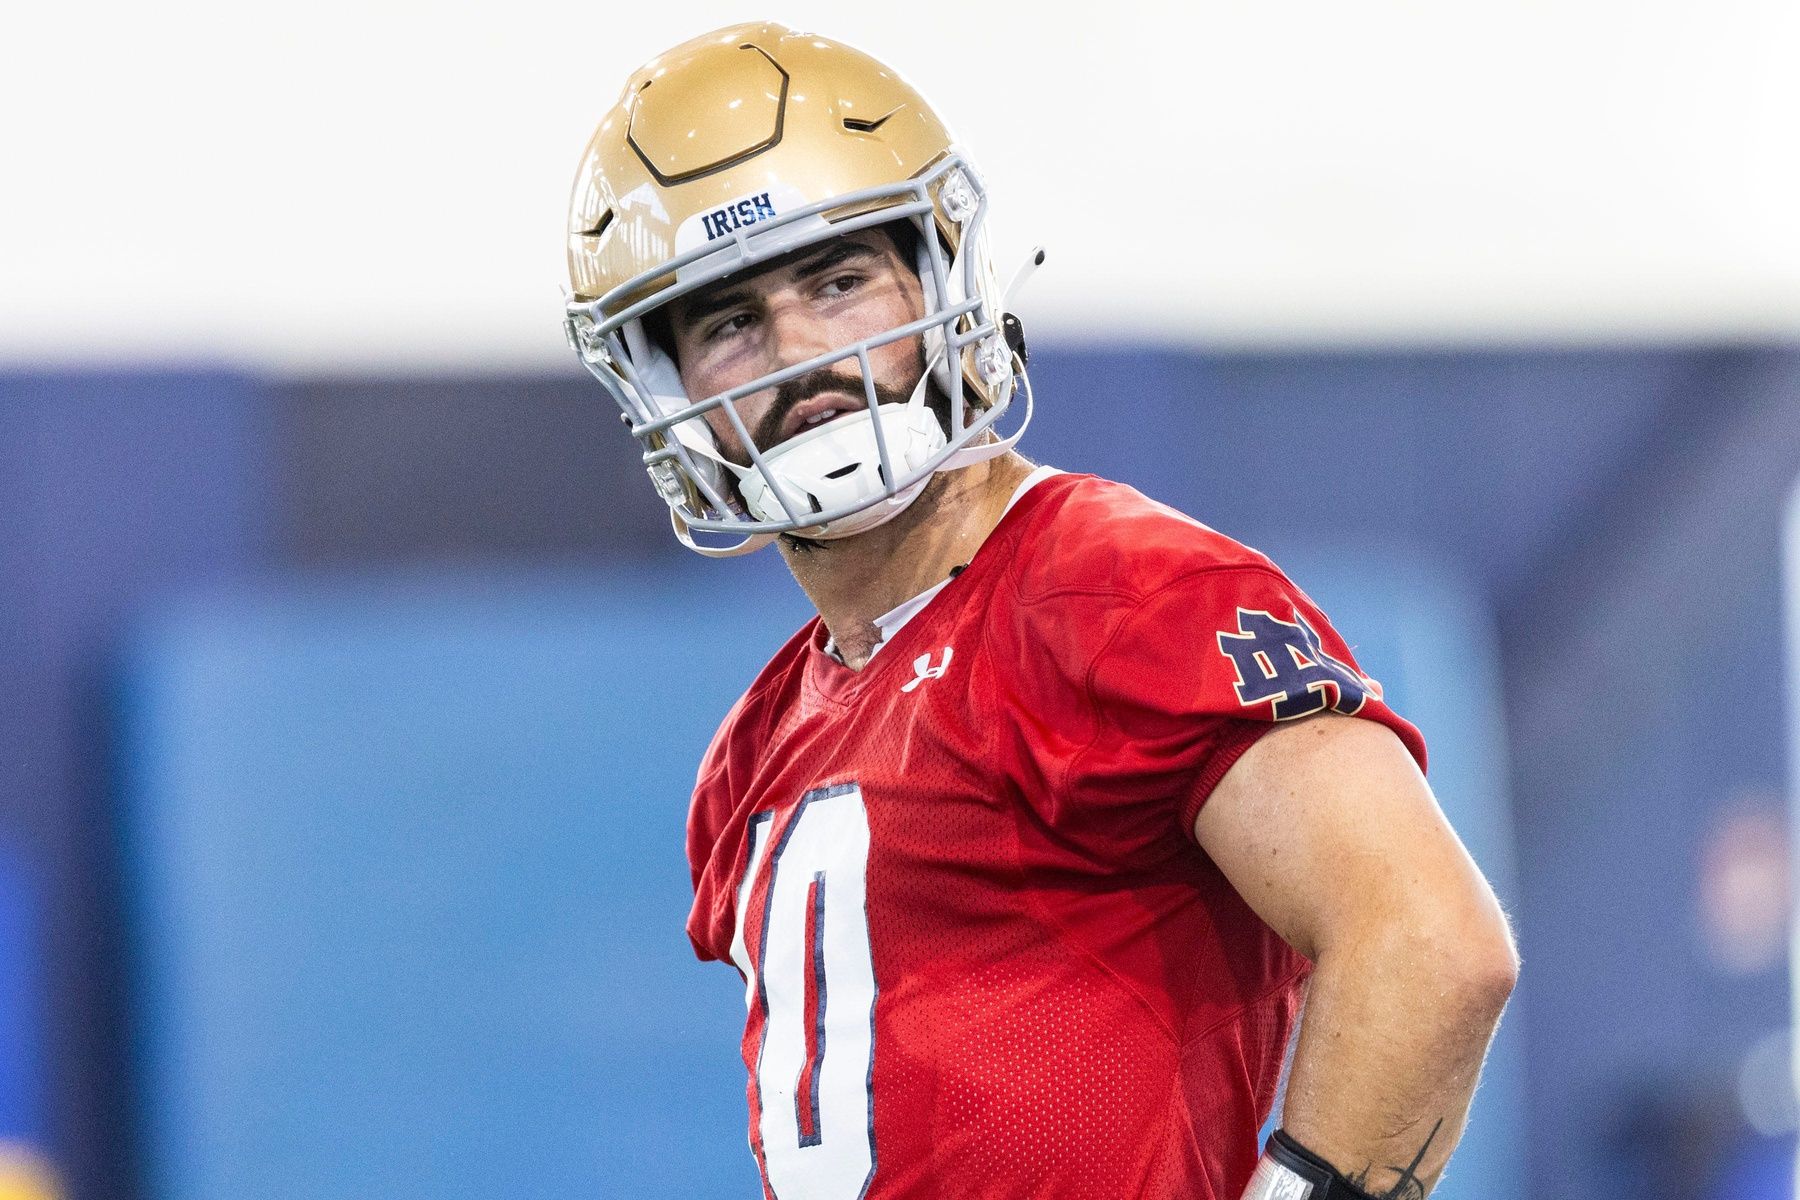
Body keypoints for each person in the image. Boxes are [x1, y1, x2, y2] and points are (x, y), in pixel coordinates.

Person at [563, 22, 1518, 1200]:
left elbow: (1430, 944)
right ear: (662, 393)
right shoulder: (757, 746)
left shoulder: (1118, 592)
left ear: (944, 276)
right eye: (728, 325)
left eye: (838, 280)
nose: (799, 354)